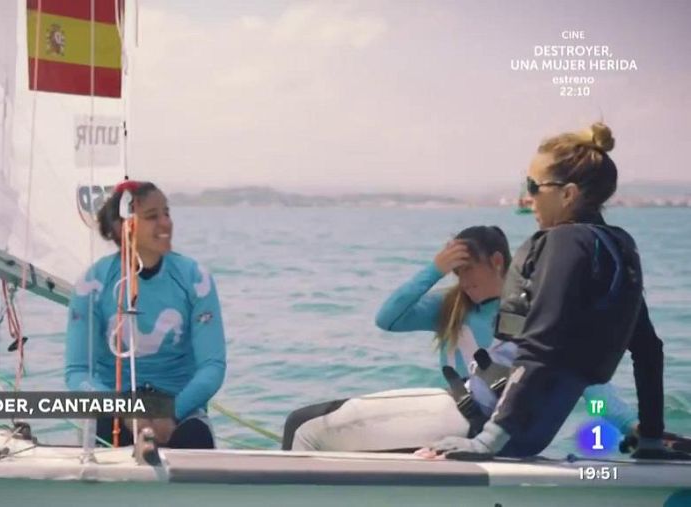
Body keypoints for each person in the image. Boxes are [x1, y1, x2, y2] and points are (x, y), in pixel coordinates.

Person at [423, 122, 688, 460]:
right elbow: (648, 350)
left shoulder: (564, 243)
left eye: (534, 186)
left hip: (478, 423)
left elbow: (540, 347)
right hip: (522, 432)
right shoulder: (617, 250)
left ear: (568, 194)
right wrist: (649, 435)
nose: (527, 197)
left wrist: (487, 441)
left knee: (333, 421)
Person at [283, 226, 637, 451]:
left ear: (497, 262)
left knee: (305, 425)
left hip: (479, 425)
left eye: (467, 268)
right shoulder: (449, 308)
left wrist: (628, 426)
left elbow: (589, 385)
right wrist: (434, 270)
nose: (462, 279)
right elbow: (387, 319)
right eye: (456, 271)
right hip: (451, 414)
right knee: (307, 419)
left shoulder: (530, 313)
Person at [64, 180, 226, 449]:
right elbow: (77, 372)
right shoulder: (92, 284)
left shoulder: (195, 279)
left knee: (195, 438)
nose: (166, 223)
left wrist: (171, 412)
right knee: (103, 433)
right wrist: (127, 413)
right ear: (123, 226)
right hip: (116, 412)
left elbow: (213, 367)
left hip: (180, 411)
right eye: (152, 216)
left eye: (167, 213)